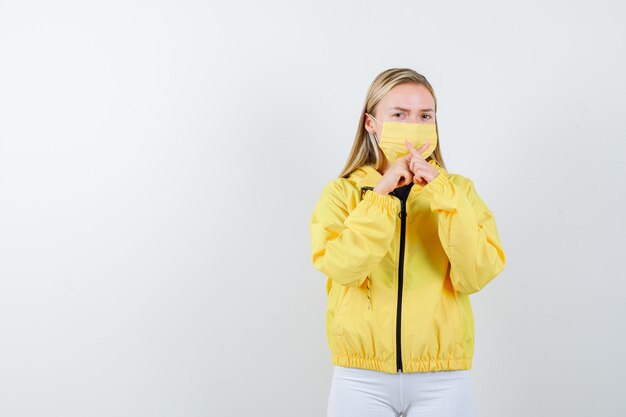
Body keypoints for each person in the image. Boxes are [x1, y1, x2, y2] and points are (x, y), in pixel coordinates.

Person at [308, 68, 507, 417]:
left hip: (444, 379)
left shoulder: (459, 191)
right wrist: (380, 196)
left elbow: (476, 274)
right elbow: (343, 267)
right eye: (399, 114)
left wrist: (443, 195)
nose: (413, 124)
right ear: (371, 123)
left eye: (424, 115)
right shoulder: (342, 193)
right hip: (359, 378)